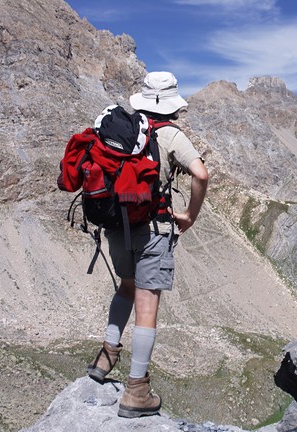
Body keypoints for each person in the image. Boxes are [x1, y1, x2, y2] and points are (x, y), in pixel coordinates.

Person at [86, 71, 208, 418]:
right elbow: (201, 174)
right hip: (154, 229)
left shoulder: (124, 128)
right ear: (172, 103)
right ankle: (136, 390)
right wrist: (190, 214)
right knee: (147, 306)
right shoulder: (170, 134)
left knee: (126, 288)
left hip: (117, 223)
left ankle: (105, 357)